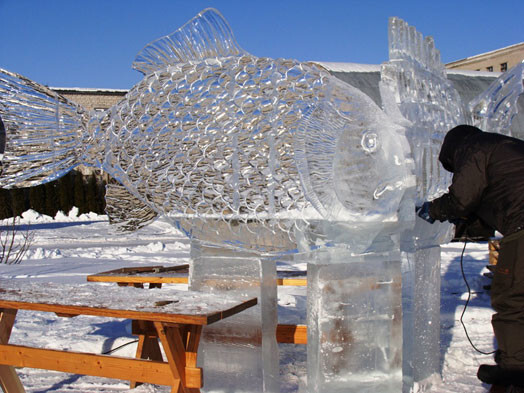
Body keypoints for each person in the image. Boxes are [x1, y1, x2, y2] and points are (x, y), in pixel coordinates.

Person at [417, 124, 524, 387]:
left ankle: (515, 368)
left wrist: (431, 211)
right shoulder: (501, 149)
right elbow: (483, 218)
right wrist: (454, 230)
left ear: (452, 152)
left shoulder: (473, 148)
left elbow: (461, 200)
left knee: (511, 296)